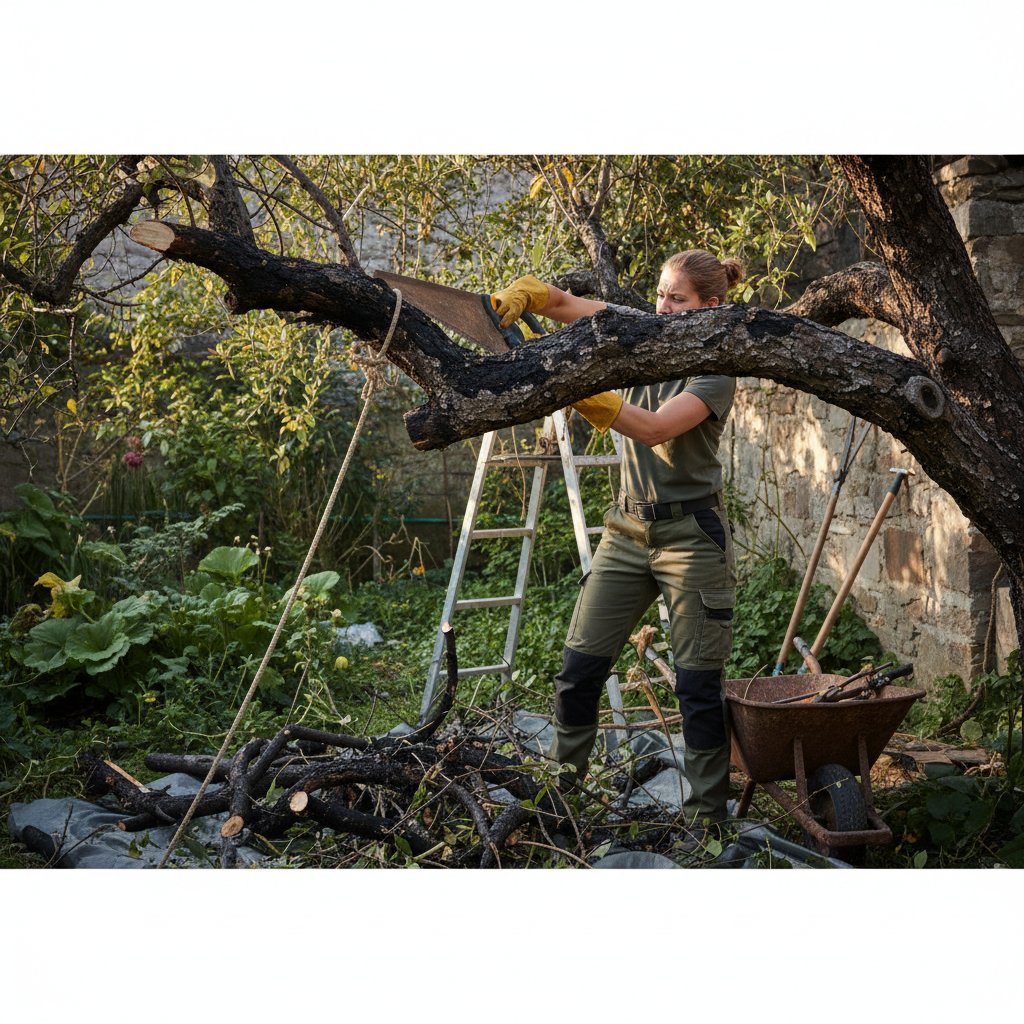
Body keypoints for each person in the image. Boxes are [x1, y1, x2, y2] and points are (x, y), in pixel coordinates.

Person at [491, 250, 743, 843]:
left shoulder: (719, 367)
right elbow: (568, 305)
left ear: (711, 305)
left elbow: (655, 430)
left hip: (691, 537)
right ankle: (563, 798)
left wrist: (581, 394)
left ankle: (708, 824)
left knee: (697, 686)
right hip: (627, 531)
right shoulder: (638, 332)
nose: (661, 307)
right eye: (659, 294)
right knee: (579, 669)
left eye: (676, 300)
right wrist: (528, 293)